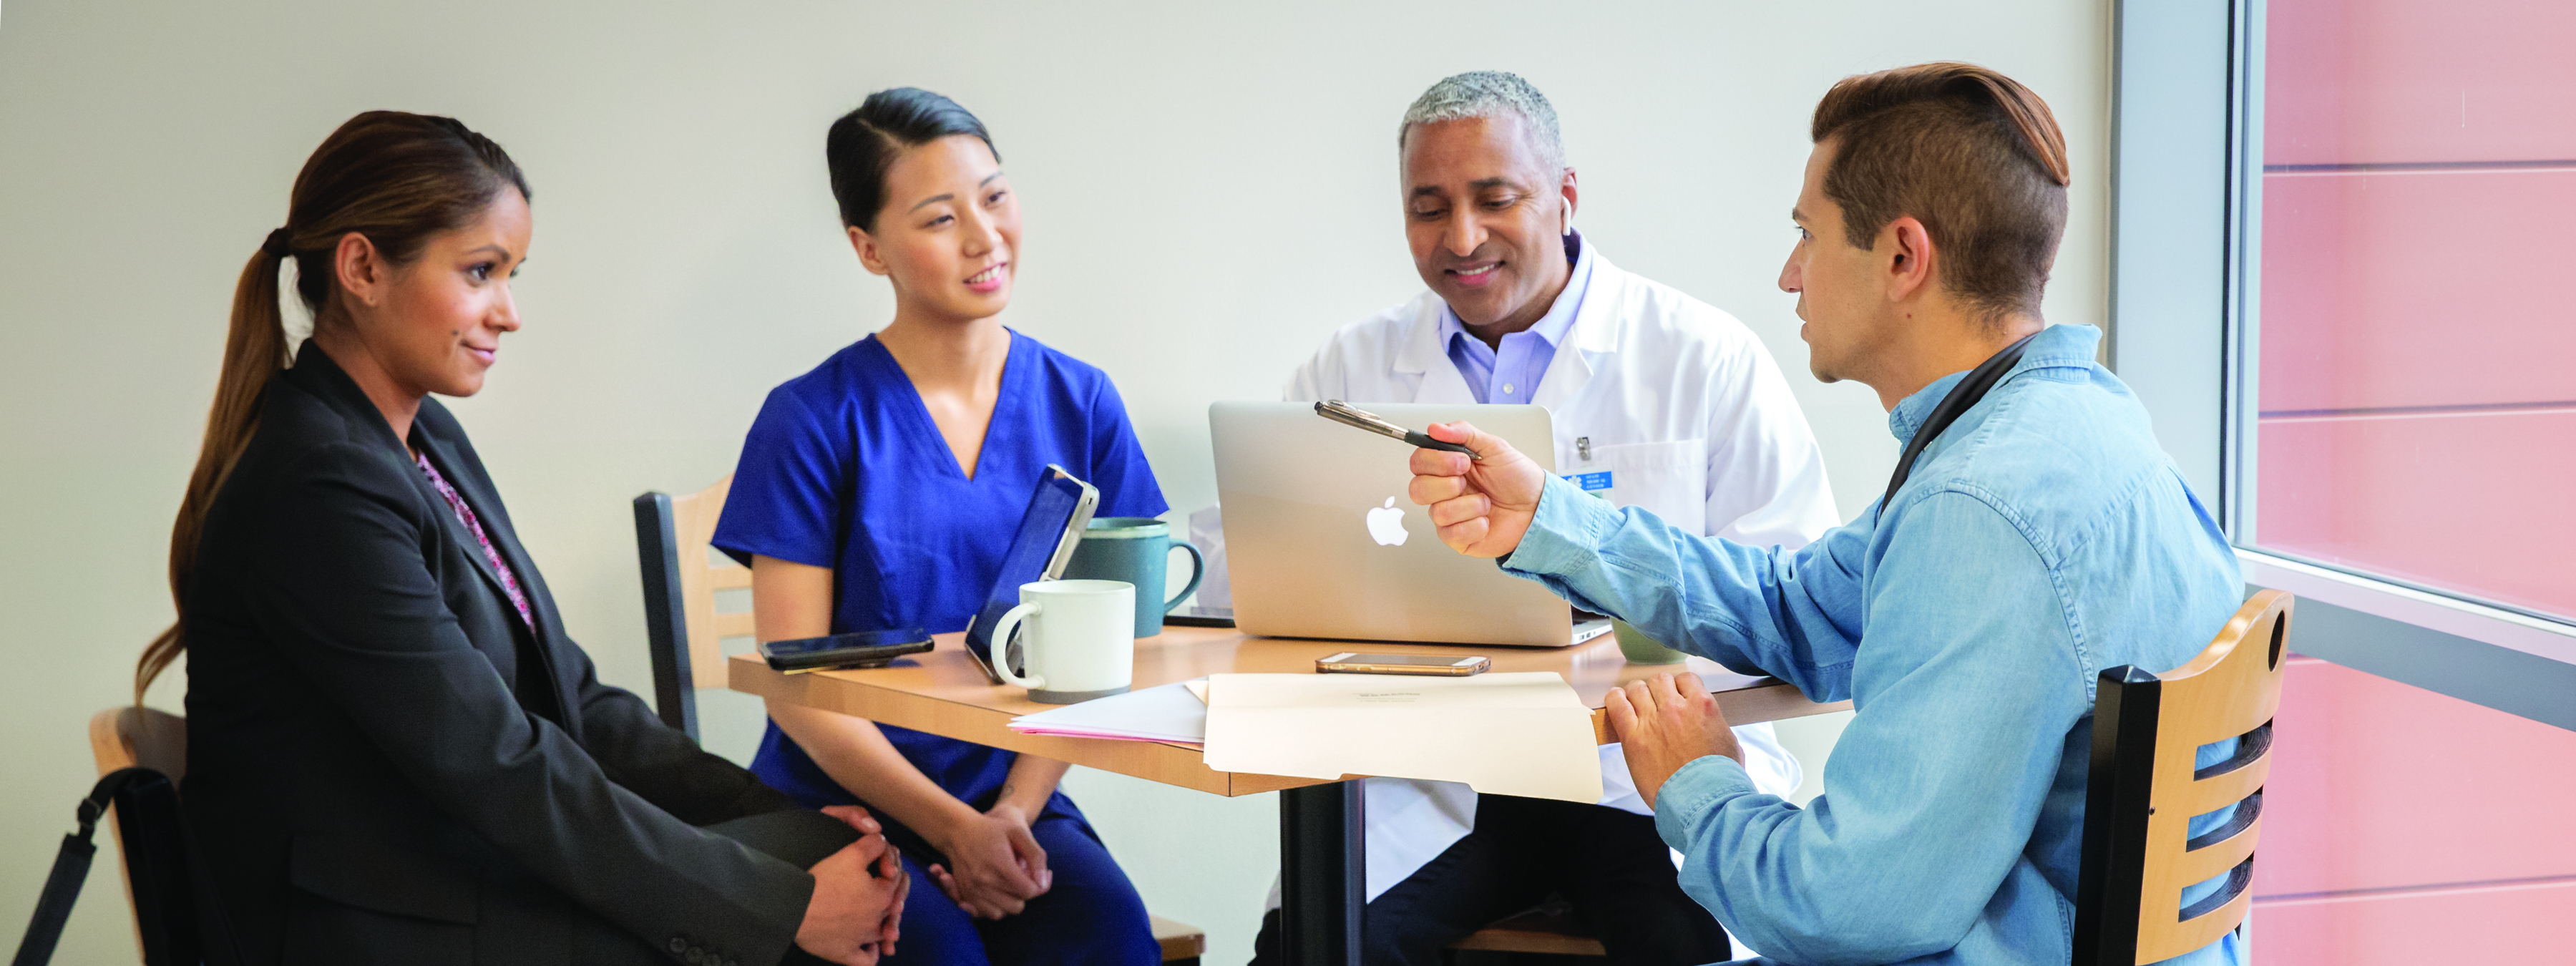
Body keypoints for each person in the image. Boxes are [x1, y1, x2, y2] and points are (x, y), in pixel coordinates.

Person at [1405, 63, 2248, 965]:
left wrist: (1697, 781)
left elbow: (1846, 910)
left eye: (1808, 234)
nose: (1789, 274)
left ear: (1901, 257)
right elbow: (1796, 607)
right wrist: (1545, 518)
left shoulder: (1982, 511)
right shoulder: (2061, 430)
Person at [161, 111, 907, 966]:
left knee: (833, 864)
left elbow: (571, 697)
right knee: (786, 929)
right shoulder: (316, 481)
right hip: (373, 924)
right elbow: (497, 762)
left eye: (511, 274)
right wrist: (776, 909)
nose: (508, 313)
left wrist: (775, 812)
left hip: (449, 872)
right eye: (480, 272)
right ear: (363, 266)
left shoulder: (421, 438)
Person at [1249, 72, 1842, 966]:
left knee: (1682, 944)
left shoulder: (1703, 357)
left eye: (1496, 198)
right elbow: (1272, 574)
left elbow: (1794, 588)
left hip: (1636, 778)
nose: (1461, 237)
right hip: (1442, 780)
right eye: (1428, 207)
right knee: (1321, 942)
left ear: (1564, 198)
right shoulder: (1347, 370)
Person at [712, 89, 1166, 966]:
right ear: (868, 247)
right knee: (938, 959)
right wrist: (950, 828)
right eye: (939, 217)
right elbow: (792, 683)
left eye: (995, 197)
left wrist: (1007, 817)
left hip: (1013, 793)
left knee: (1106, 937)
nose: (983, 236)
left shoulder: (1083, 401)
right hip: (838, 800)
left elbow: (1107, 650)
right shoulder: (811, 418)